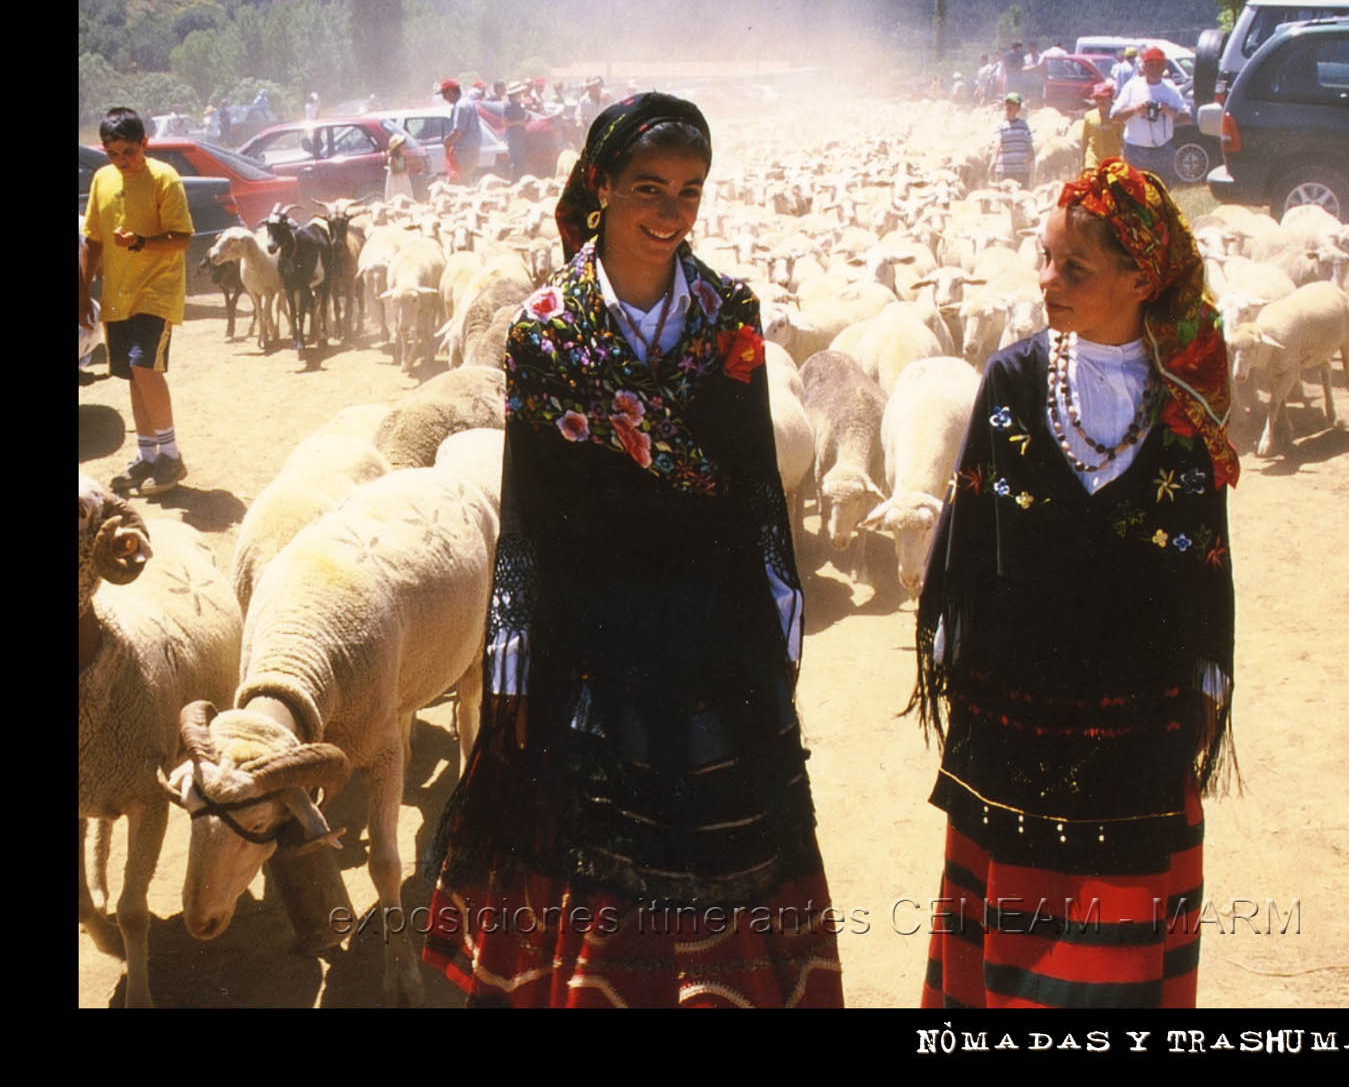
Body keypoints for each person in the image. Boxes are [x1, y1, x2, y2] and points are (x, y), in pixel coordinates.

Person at [420, 92, 845, 1009]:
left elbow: (753, 486)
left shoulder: (728, 313)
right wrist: (512, 637)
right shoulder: (543, 331)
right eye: (649, 188)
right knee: (591, 837)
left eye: (689, 192)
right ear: (601, 185)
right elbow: (529, 506)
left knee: (726, 833)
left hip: (712, 626)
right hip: (592, 634)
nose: (669, 214)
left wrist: (780, 596)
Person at [911, 156, 1239, 1008]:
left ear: (1139, 278)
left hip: (1133, 708)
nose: (1046, 280)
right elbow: (972, 518)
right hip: (1017, 701)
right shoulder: (1014, 379)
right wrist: (949, 627)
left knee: (1111, 946)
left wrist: (1206, 661)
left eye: (1073, 268)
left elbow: (1203, 544)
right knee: (1010, 929)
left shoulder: (1182, 404)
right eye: (1045, 258)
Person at [79, 107, 196, 497]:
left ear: (144, 143)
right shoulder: (102, 179)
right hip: (117, 295)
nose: (121, 161)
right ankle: (147, 455)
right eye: (112, 154)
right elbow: (93, 241)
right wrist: (82, 291)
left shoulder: (165, 178)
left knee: (145, 367)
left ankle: (172, 455)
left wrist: (143, 243)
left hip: (157, 291)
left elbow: (181, 237)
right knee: (130, 373)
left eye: (128, 151)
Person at [1112, 47, 1189, 186]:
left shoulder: (1170, 89)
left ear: (1164, 66)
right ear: (1143, 66)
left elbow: (1187, 117)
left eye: (1158, 64)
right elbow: (1114, 116)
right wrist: (1136, 109)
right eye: (1150, 65)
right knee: (1136, 193)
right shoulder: (1132, 87)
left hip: (1163, 149)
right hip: (1136, 151)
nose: (1154, 68)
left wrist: (1168, 110)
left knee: (1163, 192)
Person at [439, 76, 482, 186]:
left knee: (458, 183)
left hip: (464, 152)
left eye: (444, 94)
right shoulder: (467, 102)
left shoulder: (461, 106)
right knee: (464, 181)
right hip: (471, 149)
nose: (444, 98)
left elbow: (458, 132)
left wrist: (447, 141)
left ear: (450, 92)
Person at [992, 92, 1035, 188]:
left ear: (1018, 108)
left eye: (1013, 104)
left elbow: (1029, 143)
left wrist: (1031, 155)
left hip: (1021, 171)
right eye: (1008, 103)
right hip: (1004, 170)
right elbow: (997, 143)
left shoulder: (1024, 125)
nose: (1009, 106)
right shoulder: (1000, 126)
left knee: (1021, 198)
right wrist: (993, 161)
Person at [1081, 82, 1124, 168]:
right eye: (1098, 98)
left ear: (1110, 98)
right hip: (1093, 161)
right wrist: (1083, 161)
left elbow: (1123, 141)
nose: (1101, 101)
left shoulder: (1118, 117)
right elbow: (1085, 140)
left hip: (1112, 162)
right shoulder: (1089, 116)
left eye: (1104, 98)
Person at [502, 81, 530, 182]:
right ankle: (513, 182)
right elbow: (505, 123)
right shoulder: (508, 106)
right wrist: (518, 122)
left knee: (520, 162)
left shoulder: (519, 105)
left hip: (520, 137)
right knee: (514, 162)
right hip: (513, 138)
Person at [384, 131, 415, 200]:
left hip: (403, 178)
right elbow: (394, 171)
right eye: (402, 146)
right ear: (397, 148)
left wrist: (406, 167)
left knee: (405, 194)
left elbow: (404, 165)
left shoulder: (402, 157)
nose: (404, 147)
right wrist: (403, 171)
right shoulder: (392, 159)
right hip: (396, 180)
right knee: (395, 195)